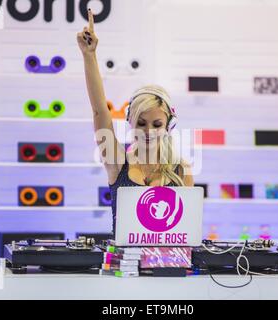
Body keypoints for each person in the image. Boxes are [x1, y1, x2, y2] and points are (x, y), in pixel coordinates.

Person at [77, 9, 194, 236]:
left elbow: (185, 231)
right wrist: (89, 56)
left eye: (157, 124)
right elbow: (99, 111)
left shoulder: (182, 170)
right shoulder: (117, 162)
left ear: (169, 126)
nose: (149, 131)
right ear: (130, 122)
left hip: (167, 267)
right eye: (141, 123)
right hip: (123, 266)